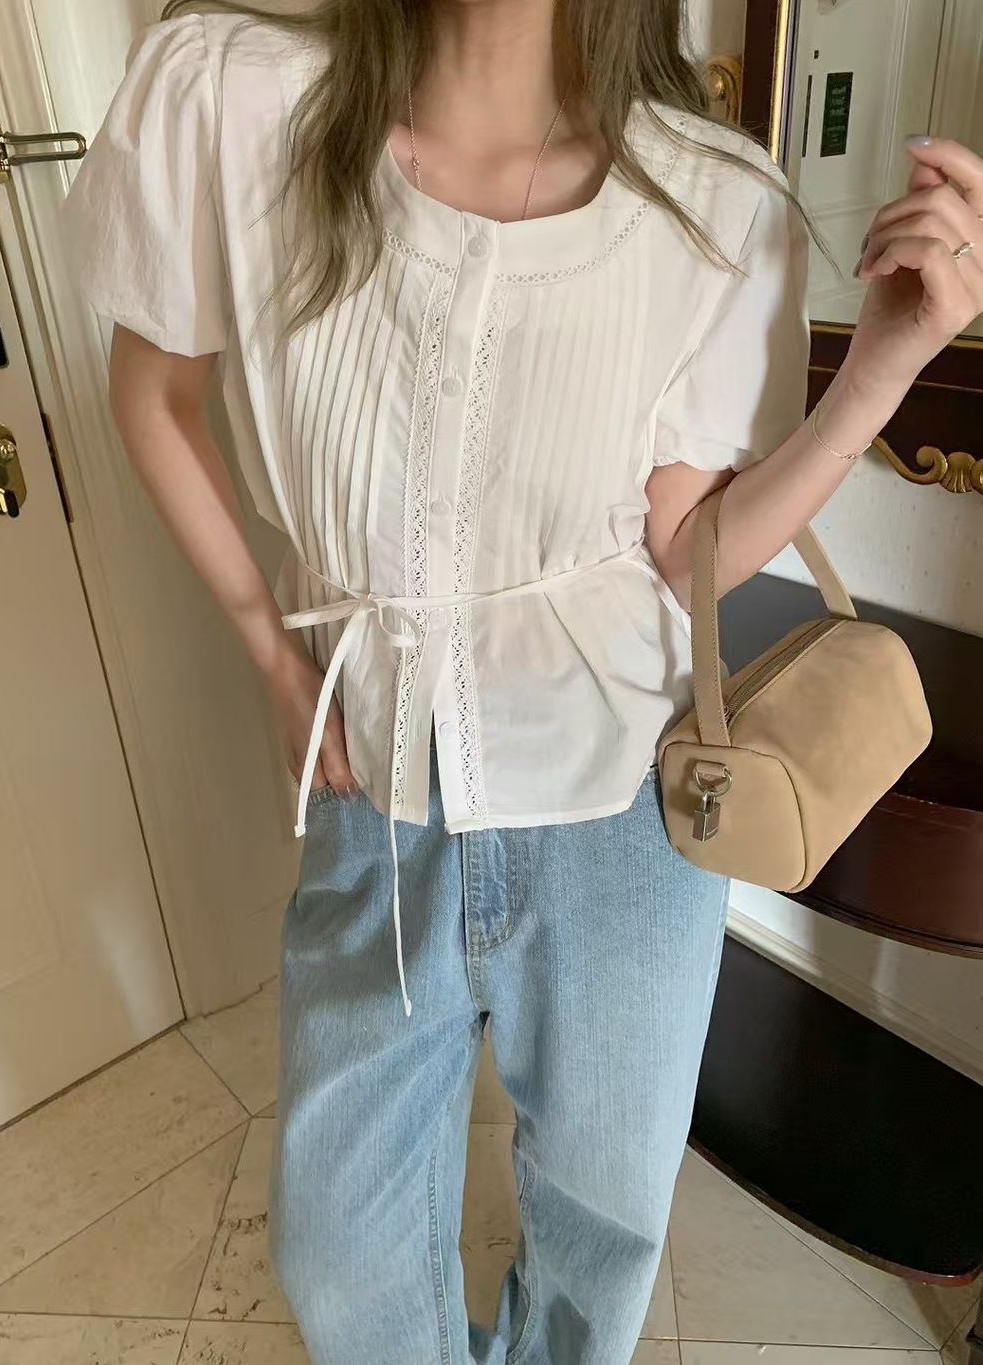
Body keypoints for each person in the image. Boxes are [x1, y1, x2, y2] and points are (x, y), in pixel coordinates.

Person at [61, 1, 983, 1361]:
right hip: (378, 802)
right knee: (339, 1243)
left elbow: (687, 548)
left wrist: (883, 370)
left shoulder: (713, 200)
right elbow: (153, 394)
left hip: (621, 818)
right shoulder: (236, 105)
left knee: (604, 1227)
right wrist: (269, 649)